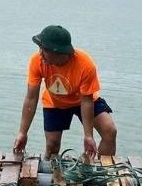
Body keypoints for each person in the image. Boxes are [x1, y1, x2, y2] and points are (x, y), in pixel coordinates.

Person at [12, 25, 116, 162]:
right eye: (40, 48)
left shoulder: (85, 64)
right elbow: (31, 98)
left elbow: (86, 101)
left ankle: (103, 172)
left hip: (84, 100)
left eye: (44, 50)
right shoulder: (37, 61)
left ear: (59, 52)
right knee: (52, 145)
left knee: (109, 131)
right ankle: (51, 174)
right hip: (55, 102)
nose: (40, 53)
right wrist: (22, 132)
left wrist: (88, 136)